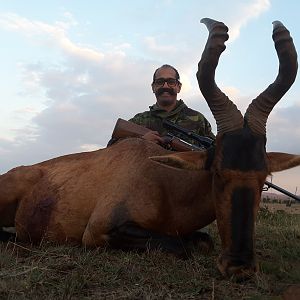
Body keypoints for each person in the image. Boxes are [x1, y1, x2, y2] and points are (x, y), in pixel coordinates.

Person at [108, 64, 215, 148]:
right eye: (160, 82)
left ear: (179, 87)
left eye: (171, 82)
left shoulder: (198, 120)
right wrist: (140, 142)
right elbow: (111, 148)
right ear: (153, 87)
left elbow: (218, 152)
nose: (165, 86)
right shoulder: (139, 121)